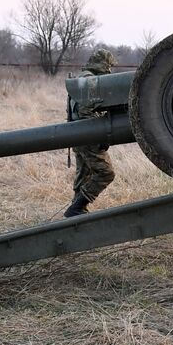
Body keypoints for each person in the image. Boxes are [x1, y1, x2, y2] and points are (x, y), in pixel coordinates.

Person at [64, 48, 118, 218]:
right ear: (102, 64)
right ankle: (77, 207)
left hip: (76, 133)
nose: (109, 70)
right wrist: (101, 135)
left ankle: (76, 212)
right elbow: (87, 112)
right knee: (106, 173)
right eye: (108, 66)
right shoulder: (91, 80)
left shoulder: (82, 78)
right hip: (87, 135)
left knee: (84, 174)